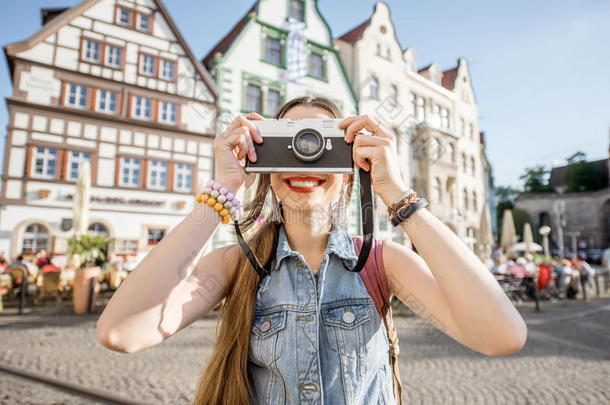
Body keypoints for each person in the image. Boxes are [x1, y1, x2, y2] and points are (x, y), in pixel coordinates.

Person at [96, 97, 527, 404]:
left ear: (349, 164)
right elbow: (121, 333)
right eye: (287, 143)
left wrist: (395, 191)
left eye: (321, 144)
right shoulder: (236, 265)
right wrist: (223, 191)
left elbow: (501, 336)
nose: (304, 159)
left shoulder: (382, 262)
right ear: (263, 161)